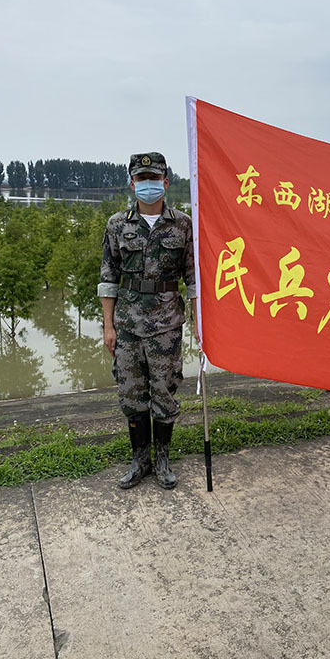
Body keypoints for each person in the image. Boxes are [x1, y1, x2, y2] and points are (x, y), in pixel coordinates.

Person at [98, 152, 198, 489]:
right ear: (132, 183)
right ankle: (139, 459)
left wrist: (199, 322)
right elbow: (108, 278)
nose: (148, 185)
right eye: (141, 179)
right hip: (128, 326)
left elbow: (193, 278)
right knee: (131, 394)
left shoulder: (183, 224)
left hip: (167, 326)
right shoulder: (117, 225)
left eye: (154, 178)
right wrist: (108, 326)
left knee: (165, 393)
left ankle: (163, 459)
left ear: (166, 182)